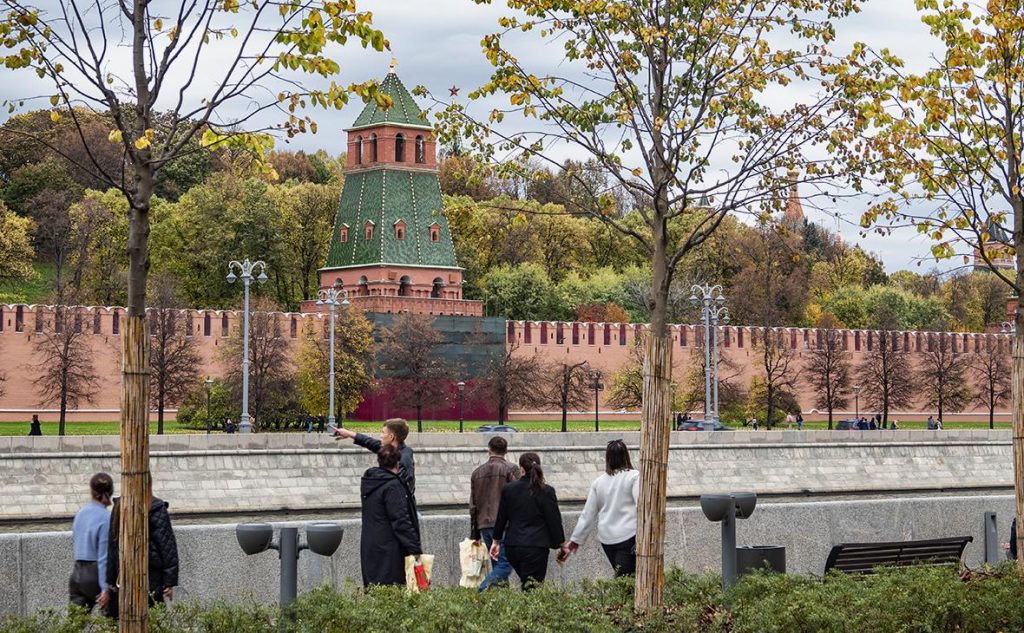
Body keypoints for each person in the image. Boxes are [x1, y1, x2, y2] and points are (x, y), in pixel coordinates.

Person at [561, 439, 640, 577]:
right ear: (626, 455)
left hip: (607, 539)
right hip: (629, 535)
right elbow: (640, 505)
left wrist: (575, 540)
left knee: (622, 575)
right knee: (627, 578)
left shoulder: (598, 482)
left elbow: (587, 515)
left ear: (607, 458)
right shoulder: (634, 476)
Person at [490, 452, 565, 590]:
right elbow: (554, 519)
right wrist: (561, 543)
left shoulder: (509, 489)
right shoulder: (546, 491)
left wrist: (496, 541)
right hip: (536, 546)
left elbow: (501, 518)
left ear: (522, 469)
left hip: (513, 546)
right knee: (532, 587)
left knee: (527, 582)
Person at [359, 444, 422, 587]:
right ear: (398, 463)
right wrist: (415, 549)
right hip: (390, 552)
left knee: (375, 591)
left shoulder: (370, 481)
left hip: (370, 548)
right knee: (392, 592)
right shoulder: (393, 485)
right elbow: (401, 520)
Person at [105, 495, 179, 616]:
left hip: (126, 578)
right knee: (152, 616)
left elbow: (112, 546)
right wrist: (169, 582)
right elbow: (167, 546)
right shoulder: (156, 507)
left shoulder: (120, 505)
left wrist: (110, 580)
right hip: (149, 577)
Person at [470, 436, 520, 590]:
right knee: (505, 564)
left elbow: (473, 505)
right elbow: (518, 497)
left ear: (489, 451)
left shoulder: (477, 473)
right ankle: (482, 590)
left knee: (498, 564)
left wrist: (475, 533)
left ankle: (501, 599)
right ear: (506, 451)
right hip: (504, 525)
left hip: (484, 525)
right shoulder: (511, 469)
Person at [335, 418, 415, 497]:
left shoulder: (404, 456)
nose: (380, 436)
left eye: (383, 432)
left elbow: (405, 487)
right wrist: (349, 434)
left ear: (391, 437)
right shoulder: (391, 449)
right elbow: (370, 442)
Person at [70, 473, 113, 612]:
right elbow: (103, 557)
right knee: (114, 615)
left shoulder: (80, 513)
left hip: (77, 574)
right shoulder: (106, 518)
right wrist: (105, 588)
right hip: (95, 575)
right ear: (111, 492)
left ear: (91, 491)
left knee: (76, 621)